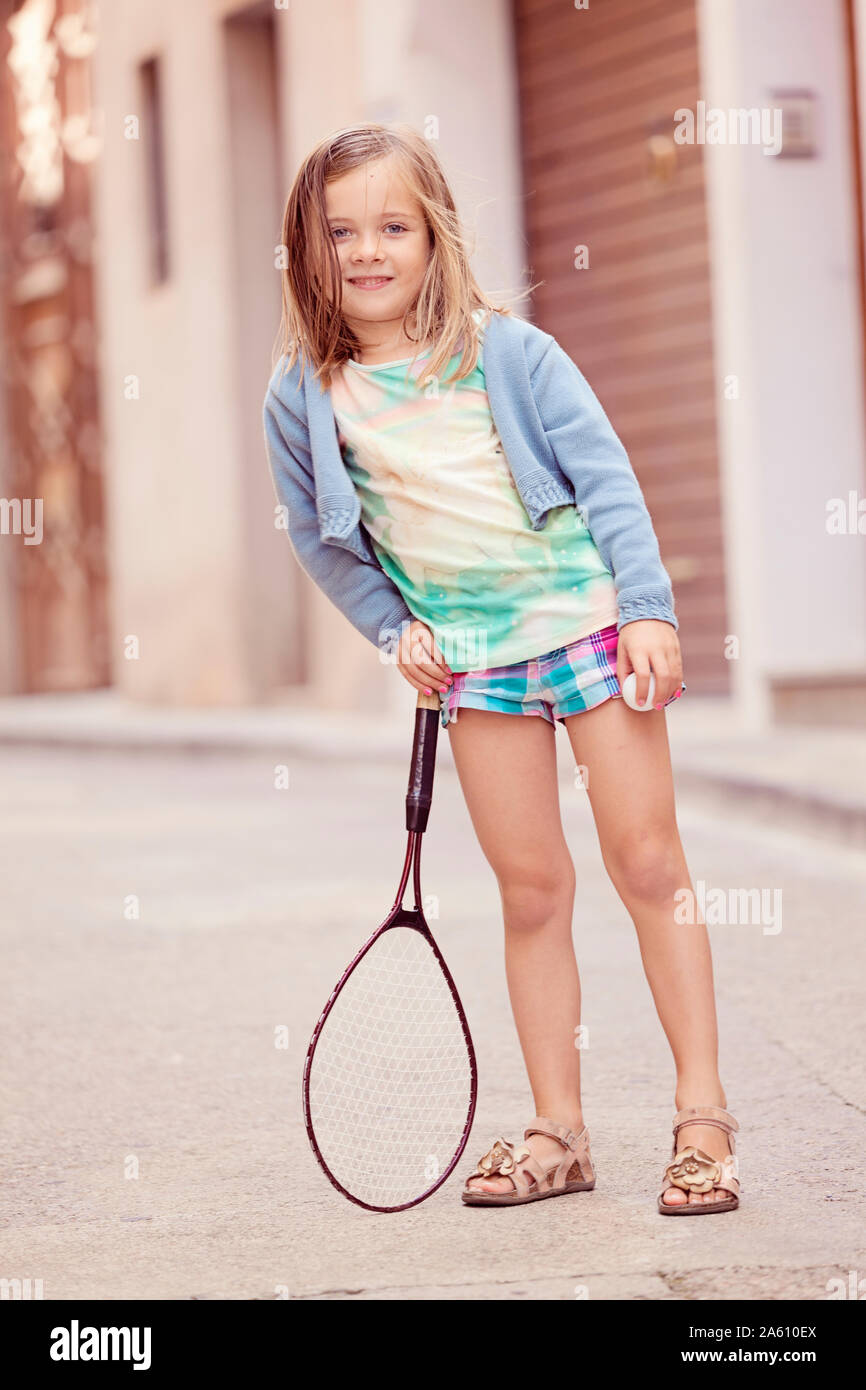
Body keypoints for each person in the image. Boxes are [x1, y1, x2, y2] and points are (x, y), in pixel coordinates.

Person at [262, 122, 739, 1215]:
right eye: (340, 230)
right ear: (306, 245)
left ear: (434, 238)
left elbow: (605, 476)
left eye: (393, 226)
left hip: (583, 630)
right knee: (531, 891)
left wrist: (648, 610)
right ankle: (557, 1129)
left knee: (646, 861)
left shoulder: (504, 352)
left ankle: (701, 1116)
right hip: (474, 670)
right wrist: (395, 630)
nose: (367, 250)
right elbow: (318, 537)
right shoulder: (303, 397)